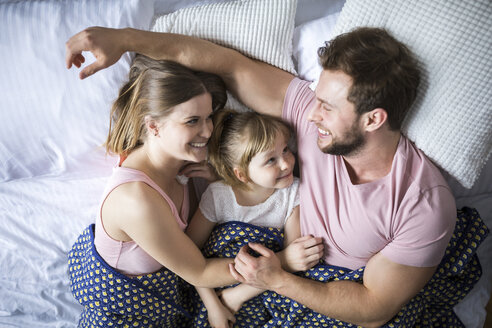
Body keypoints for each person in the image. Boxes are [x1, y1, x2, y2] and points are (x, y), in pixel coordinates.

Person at [65, 26, 460, 326]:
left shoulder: (422, 203)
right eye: (315, 98)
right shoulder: (308, 115)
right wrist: (121, 38)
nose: (309, 114)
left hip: (325, 289)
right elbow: (227, 65)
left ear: (374, 119)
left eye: (326, 107)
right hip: (267, 264)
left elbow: (374, 309)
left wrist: (279, 277)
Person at [67, 54, 237, 327]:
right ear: (154, 126)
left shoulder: (184, 166)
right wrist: (282, 264)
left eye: (208, 117)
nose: (207, 130)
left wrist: (218, 179)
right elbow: (200, 270)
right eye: (192, 121)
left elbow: (188, 249)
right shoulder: (136, 200)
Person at [185, 109, 323, 327]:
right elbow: (188, 259)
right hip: (216, 288)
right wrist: (213, 306)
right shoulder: (218, 195)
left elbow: (289, 260)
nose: (286, 163)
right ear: (242, 174)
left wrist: (236, 296)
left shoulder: (292, 192)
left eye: (286, 149)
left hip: (266, 288)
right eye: (271, 160)